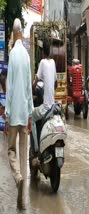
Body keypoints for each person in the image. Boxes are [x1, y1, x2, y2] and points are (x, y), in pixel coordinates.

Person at [4, 18, 33, 210]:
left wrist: (6, 114)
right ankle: (22, 203)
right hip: (24, 113)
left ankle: (17, 177)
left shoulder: (13, 54)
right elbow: (29, 88)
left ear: (14, 33)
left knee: (11, 151)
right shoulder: (27, 56)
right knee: (24, 157)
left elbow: (10, 86)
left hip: (14, 113)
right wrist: (30, 115)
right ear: (21, 32)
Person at [31, 39, 57, 155]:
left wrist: (31, 93)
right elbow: (55, 84)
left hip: (46, 107)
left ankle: (36, 150)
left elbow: (35, 82)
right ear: (50, 51)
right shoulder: (53, 63)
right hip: (53, 107)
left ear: (43, 52)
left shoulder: (42, 62)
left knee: (31, 116)